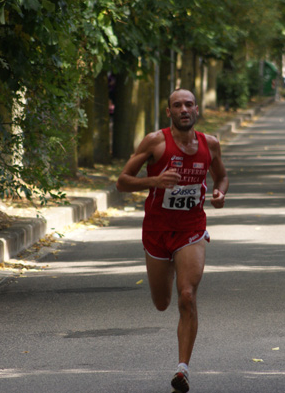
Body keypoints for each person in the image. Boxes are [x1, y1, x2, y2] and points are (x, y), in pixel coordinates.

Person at [116, 89, 228, 393]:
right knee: (163, 302)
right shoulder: (155, 142)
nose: (183, 109)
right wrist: (155, 181)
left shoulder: (210, 144)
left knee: (187, 295)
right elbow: (122, 181)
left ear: (196, 110)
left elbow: (222, 177)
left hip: (191, 229)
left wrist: (219, 193)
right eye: (177, 105)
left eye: (188, 104)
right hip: (156, 230)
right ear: (169, 112)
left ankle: (182, 369)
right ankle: (166, 301)